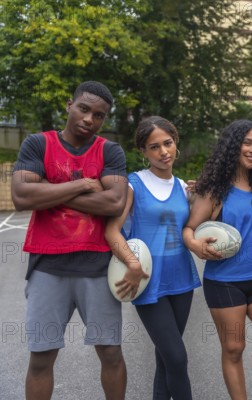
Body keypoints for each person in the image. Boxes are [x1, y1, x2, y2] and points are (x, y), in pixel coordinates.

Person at [11, 81, 128, 399]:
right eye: (84, 108)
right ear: (69, 105)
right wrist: (83, 185)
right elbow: (22, 196)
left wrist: (50, 190)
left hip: (97, 267)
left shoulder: (109, 151)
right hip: (48, 265)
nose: (90, 119)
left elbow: (114, 203)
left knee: (111, 354)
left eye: (99, 115)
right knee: (41, 358)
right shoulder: (39, 144)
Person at [183, 120, 252, 400]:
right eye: (247, 143)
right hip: (225, 282)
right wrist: (195, 245)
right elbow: (188, 229)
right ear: (233, 146)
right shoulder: (214, 190)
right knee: (234, 348)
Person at [104, 116, 201, 399]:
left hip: (181, 279)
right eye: (154, 147)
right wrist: (132, 265)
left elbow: (195, 227)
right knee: (178, 358)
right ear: (144, 152)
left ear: (176, 142)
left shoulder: (184, 187)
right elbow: (112, 232)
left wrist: (200, 197)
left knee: (166, 359)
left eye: (167, 143)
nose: (163, 152)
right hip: (146, 282)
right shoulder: (134, 184)